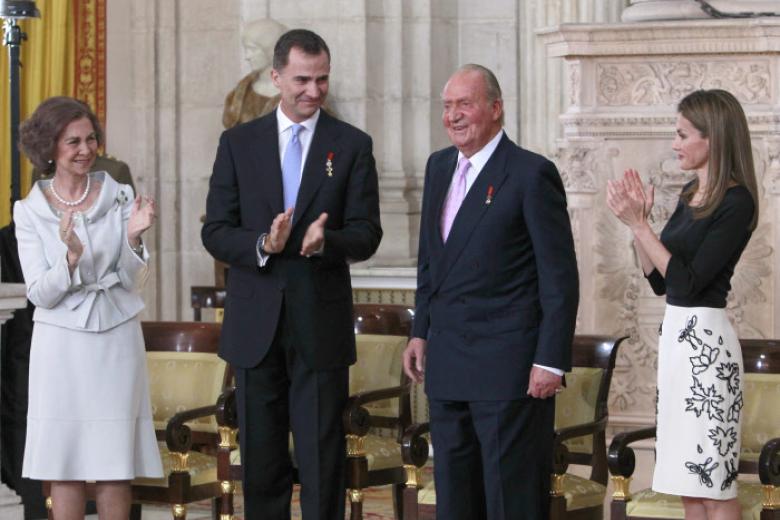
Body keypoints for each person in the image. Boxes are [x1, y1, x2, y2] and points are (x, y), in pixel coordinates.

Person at [202, 29, 382, 519]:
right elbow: (215, 230)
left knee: (324, 459)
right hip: (254, 325)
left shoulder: (350, 145)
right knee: (261, 462)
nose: (314, 90)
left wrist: (328, 242)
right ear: (277, 77)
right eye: (303, 79)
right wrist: (263, 244)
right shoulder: (238, 143)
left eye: (322, 79)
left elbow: (367, 233)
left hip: (318, 326)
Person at [402, 64, 579, 520]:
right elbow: (430, 262)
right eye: (447, 106)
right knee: (456, 501)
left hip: (508, 371)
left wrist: (550, 360)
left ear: (496, 109)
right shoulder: (438, 167)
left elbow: (559, 277)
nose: (453, 116)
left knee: (510, 502)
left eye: (465, 104)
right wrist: (420, 331)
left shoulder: (530, 173)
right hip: (447, 364)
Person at [606, 89, 758, 519]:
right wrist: (639, 227)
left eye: (682, 134)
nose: (675, 144)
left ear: (713, 138)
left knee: (714, 485)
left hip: (707, 348)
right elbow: (659, 280)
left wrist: (640, 225)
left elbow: (689, 284)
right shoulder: (691, 192)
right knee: (689, 487)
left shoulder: (736, 201)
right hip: (677, 343)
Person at [14, 96, 161, 519]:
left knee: (115, 463)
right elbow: (40, 293)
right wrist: (70, 260)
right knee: (65, 462)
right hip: (59, 346)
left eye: (90, 138)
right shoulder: (29, 212)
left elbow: (134, 281)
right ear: (49, 148)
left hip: (116, 338)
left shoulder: (120, 197)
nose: (85, 149)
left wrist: (134, 239)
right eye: (72, 141)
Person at [222, 18, 288, 128]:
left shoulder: (302, 94)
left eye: (252, 49)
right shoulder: (239, 95)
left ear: (271, 49)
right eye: (246, 50)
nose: (247, 57)